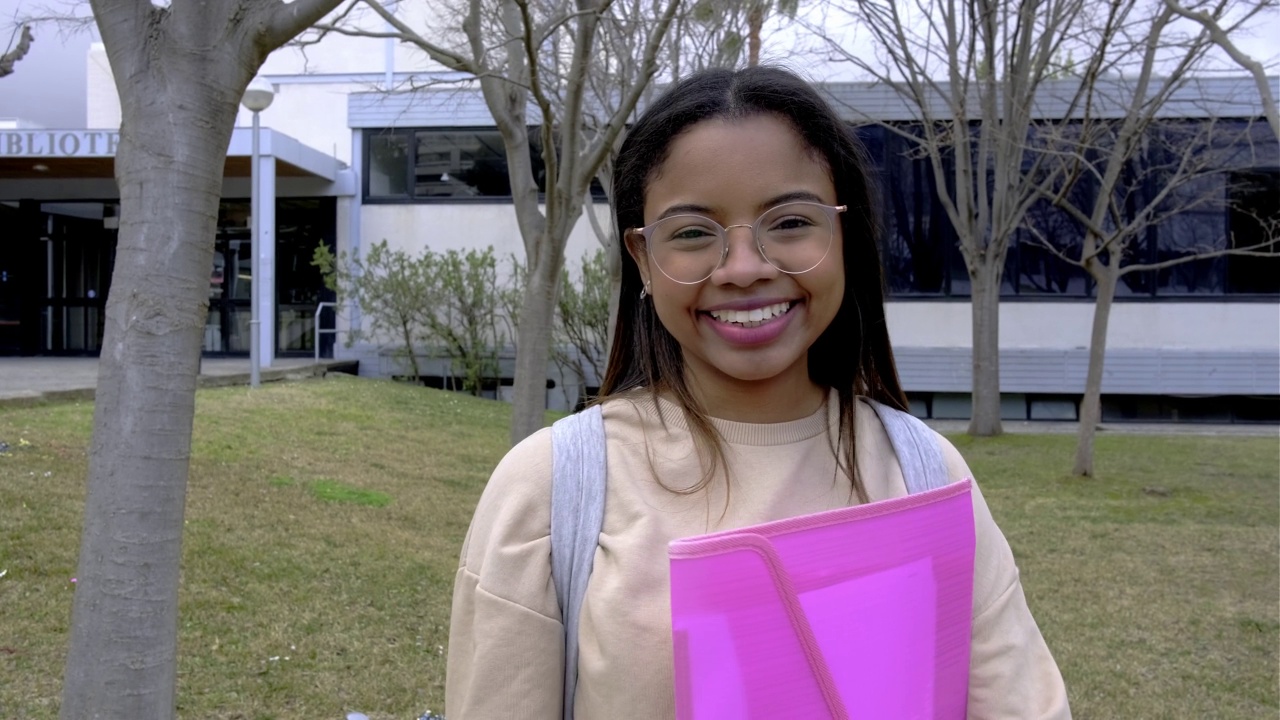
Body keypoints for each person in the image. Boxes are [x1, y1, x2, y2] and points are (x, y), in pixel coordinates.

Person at [445, 66, 1071, 719]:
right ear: (641, 260)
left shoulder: (927, 475)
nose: (744, 269)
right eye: (692, 232)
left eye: (791, 222)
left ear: (843, 236)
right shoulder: (550, 492)